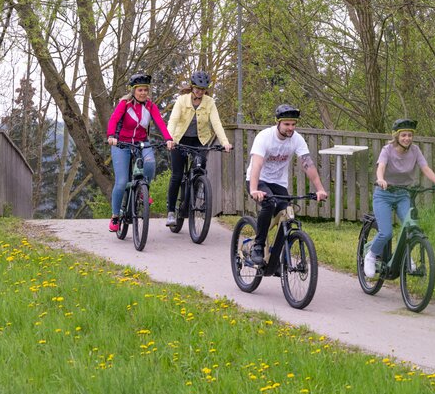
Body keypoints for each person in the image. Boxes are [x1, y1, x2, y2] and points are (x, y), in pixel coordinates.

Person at [245, 104, 329, 265]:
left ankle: (277, 258)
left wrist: (320, 189)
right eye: (287, 124)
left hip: (278, 182)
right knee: (268, 204)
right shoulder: (264, 137)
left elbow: (308, 164)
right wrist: (254, 189)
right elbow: (256, 164)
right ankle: (258, 246)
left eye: (293, 124)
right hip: (257, 180)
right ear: (278, 123)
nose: (291, 128)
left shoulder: (297, 139)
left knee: (287, 213)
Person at [364, 118, 435, 276]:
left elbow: (425, 168)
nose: (407, 138)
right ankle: (371, 256)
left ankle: (408, 258)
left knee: (411, 228)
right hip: (384, 194)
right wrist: (380, 179)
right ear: (397, 136)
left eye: (409, 135)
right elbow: (381, 167)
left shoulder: (415, 150)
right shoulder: (387, 150)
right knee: (386, 232)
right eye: (404, 135)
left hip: (403, 194)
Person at [164, 70, 234, 226]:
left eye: (202, 89)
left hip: (199, 140)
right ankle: (170, 212)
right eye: (196, 88)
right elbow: (173, 120)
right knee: (176, 175)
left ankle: (197, 193)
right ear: (192, 87)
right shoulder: (182, 100)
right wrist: (169, 139)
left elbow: (216, 123)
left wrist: (225, 142)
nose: (199, 92)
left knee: (200, 167)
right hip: (179, 139)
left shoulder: (209, 102)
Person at [105, 72, 172, 232]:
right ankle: (115, 216)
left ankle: (143, 190)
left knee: (150, 163)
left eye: (145, 90)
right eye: (140, 90)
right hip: (121, 144)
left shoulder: (150, 106)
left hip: (142, 143)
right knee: (121, 182)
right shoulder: (125, 104)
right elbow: (113, 120)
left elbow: (160, 123)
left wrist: (169, 138)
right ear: (134, 91)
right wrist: (111, 136)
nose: (143, 93)